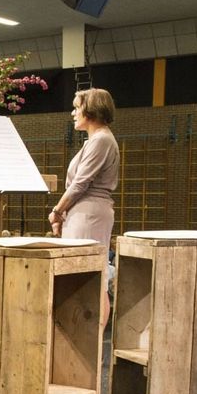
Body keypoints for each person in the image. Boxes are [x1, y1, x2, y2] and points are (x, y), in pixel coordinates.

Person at [49, 87, 119, 325]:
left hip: (90, 213)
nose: (73, 112)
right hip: (83, 212)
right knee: (81, 276)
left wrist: (57, 211)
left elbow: (80, 184)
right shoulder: (96, 140)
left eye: (77, 107)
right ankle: (85, 336)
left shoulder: (101, 140)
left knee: (90, 277)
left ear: (91, 110)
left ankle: (93, 338)